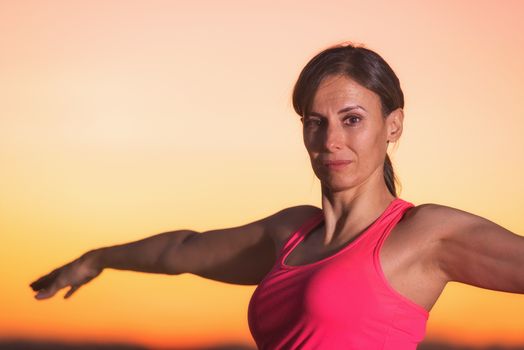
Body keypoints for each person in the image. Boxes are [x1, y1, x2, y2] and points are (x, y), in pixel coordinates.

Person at [30, 42, 524, 349]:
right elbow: (181, 250)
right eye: (316, 122)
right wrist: (97, 258)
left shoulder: (424, 235)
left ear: (392, 125)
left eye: (352, 119)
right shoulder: (289, 232)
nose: (331, 140)